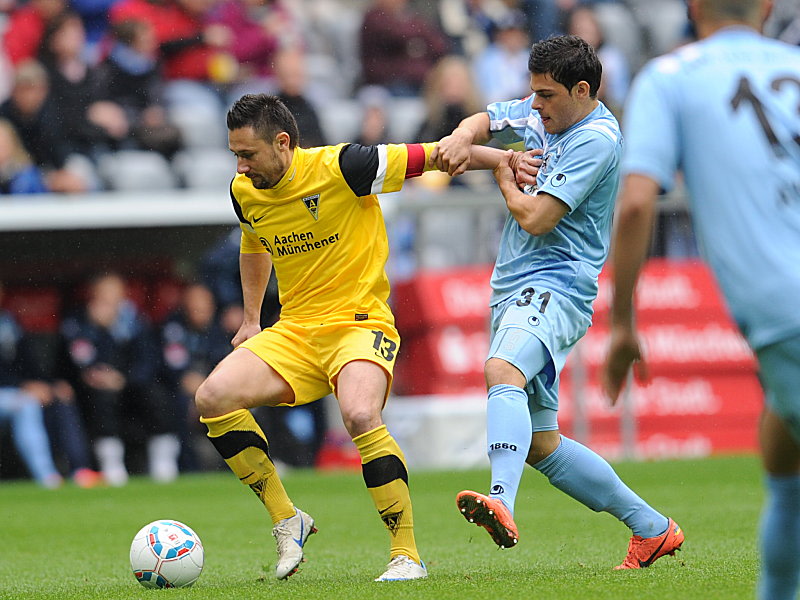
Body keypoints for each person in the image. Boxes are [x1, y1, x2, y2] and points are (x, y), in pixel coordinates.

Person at [193, 93, 505, 582]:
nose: (240, 164)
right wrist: (253, 318)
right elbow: (253, 242)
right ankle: (286, 518)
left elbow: (439, 154)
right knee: (212, 397)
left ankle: (406, 555)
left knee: (360, 413)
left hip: (359, 322)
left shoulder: (346, 165)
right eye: (234, 153)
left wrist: (504, 159)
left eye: (247, 153)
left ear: (282, 143)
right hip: (295, 329)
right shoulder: (243, 190)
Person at [431, 34, 684, 569]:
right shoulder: (544, 109)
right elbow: (483, 120)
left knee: (502, 370)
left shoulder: (597, 139)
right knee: (543, 444)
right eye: (533, 94)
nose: (535, 105)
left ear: (582, 90)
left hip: (557, 285)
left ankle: (501, 498)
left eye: (545, 96)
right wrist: (462, 136)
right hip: (516, 284)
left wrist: (502, 173)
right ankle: (652, 529)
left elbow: (536, 217)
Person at [601, 0, 800, 596]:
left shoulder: (671, 77)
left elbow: (636, 203)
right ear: (767, 7)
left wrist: (622, 323)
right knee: (783, 454)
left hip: (783, 307)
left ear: (692, 9)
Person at [60, 272, 180, 486]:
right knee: (103, 399)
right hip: (95, 390)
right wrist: (99, 330)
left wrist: (125, 379)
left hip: (132, 384)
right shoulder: (78, 321)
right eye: (105, 293)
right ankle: (111, 465)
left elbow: (149, 359)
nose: (111, 298)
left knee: (156, 394)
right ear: (94, 294)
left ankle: (163, 463)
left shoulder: (135, 320)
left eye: (115, 292)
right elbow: (80, 362)